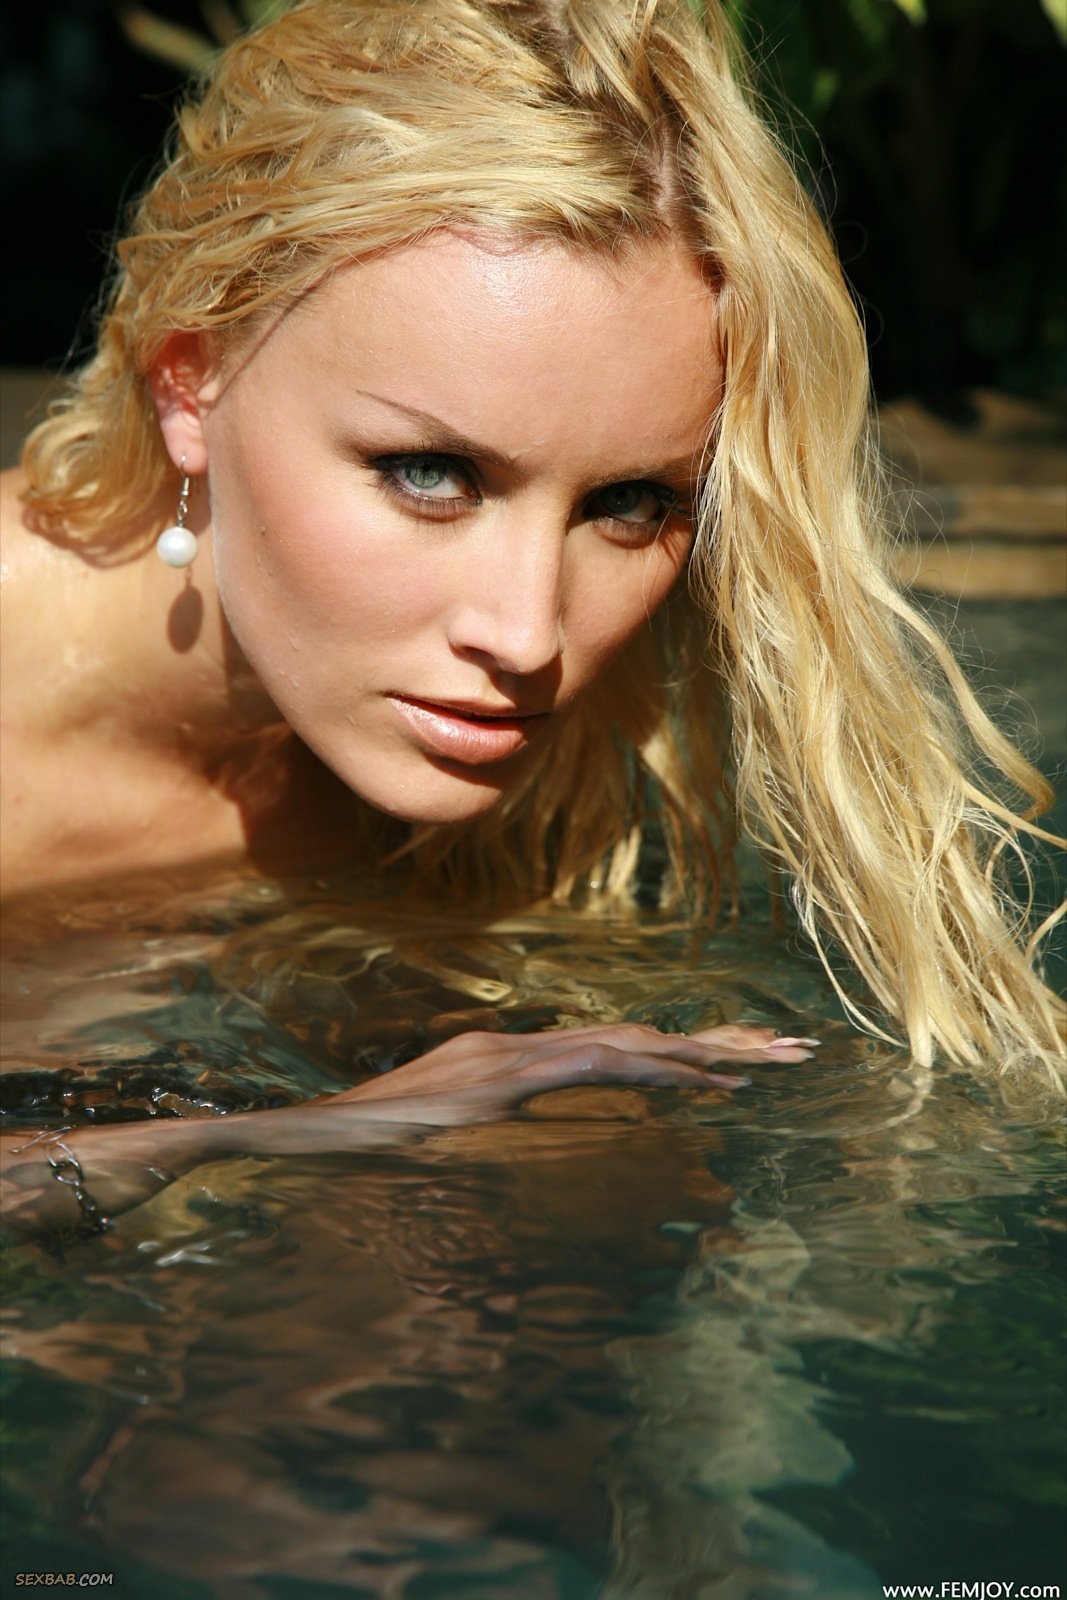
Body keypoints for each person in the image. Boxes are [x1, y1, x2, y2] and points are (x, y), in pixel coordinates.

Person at [1, 0, 1062, 1240]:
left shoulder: (508, 755)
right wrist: (286, 1132)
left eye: (628, 503)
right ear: (190, 385)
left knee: (578, 1152)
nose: (526, 637)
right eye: (428, 474)